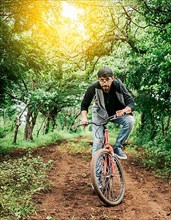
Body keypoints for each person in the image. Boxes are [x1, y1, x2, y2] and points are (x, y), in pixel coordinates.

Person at [81, 67, 135, 159]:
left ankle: (117, 147)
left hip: (116, 114)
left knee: (130, 121)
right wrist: (84, 118)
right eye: (102, 80)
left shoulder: (119, 86)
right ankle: (96, 172)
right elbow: (84, 104)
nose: (105, 83)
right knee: (98, 142)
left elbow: (131, 104)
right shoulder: (93, 87)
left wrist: (123, 111)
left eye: (107, 80)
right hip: (99, 114)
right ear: (98, 80)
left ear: (112, 78)